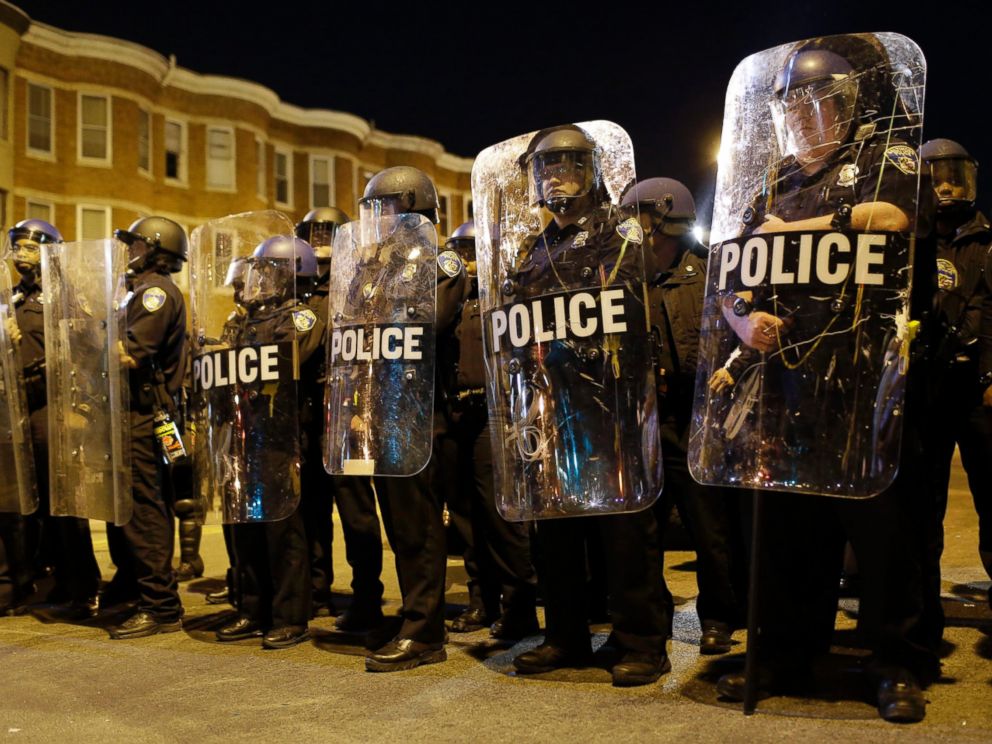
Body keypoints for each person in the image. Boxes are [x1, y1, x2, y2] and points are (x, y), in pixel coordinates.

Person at [712, 38, 941, 723]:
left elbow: (893, 219)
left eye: (823, 103)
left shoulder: (881, 161)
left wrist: (806, 226)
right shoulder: (772, 183)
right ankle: (787, 652)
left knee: (883, 532)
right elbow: (732, 274)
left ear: (848, 106)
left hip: (863, 381)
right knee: (788, 529)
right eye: (796, 106)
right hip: (785, 386)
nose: (809, 118)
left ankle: (897, 664)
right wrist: (741, 324)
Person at [504, 126, 672, 686]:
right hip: (549, 406)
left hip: (608, 400)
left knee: (624, 527)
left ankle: (641, 642)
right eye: (547, 169)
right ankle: (565, 637)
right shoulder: (532, 248)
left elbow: (621, 301)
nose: (556, 178)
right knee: (554, 529)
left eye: (568, 166)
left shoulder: (616, 230)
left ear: (590, 172)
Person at [339, 166, 466, 671]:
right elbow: (351, 331)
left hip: (421, 413)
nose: (376, 220)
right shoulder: (371, 270)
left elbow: (429, 323)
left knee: (419, 529)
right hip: (378, 413)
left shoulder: (443, 262)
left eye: (384, 209)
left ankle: (424, 633)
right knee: (398, 526)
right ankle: (415, 615)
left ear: (412, 207)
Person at [622, 178, 749, 654]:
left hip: (696, 415)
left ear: (662, 221)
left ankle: (718, 616)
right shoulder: (625, 281)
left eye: (639, 220)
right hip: (644, 419)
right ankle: (651, 615)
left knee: (708, 526)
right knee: (643, 527)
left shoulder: (711, 272)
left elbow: (737, 336)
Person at [215, 235, 322, 649]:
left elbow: (286, 360)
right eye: (258, 272)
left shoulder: (301, 317)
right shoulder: (242, 320)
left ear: (293, 275)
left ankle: (289, 616)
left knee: (283, 531)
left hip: (282, 435)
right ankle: (251, 608)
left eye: (269, 272)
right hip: (244, 433)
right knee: (247, 527)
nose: (259, 280)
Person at [436, 220, 539, 640]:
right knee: (463, 516)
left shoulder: (506, 295)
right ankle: (483, 601)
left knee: (500, 514)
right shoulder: (450, 300)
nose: (468, 260)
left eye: (474, 251)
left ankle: (520, 608)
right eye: (461, 251)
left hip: (494, 412)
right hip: (454, 411)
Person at [1, 219, 102, 618]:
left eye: (30, 248)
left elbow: (85, 348)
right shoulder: (9, 299)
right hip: (15, 409)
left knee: (63, 504)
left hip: (52, 410)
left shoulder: (64, 298)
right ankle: (33, 580)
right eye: (17, 247)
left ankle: (81, 586)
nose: (22, 256)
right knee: (24, 504)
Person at [295, 207, 384, 628]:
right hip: (309, 413)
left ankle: (368, 596)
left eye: (326, 235)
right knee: (313, 507)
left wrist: (363, 408)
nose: (320, 243)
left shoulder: (361, 289)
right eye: (312, 236)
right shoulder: (300, 294)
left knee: (356, 510)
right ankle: (317, 591)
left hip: (347, 414)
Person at [107, 216, 189, 639]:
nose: (129, 251)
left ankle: (160, 606)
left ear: (155, 249)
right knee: (138, 507)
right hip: (141, 415)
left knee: (146, 509)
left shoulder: (155, 293)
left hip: (147, 416)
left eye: (135, 244)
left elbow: (130, 355)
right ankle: (140, 593)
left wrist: (84, 338)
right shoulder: (135, 292)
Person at [920, 138, 992, 607]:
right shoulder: (906, 240)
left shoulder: (987, 241)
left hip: (980, 391)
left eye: (955, 176)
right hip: (926, 389)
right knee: (922, 503)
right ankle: (918, 596)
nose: (947, 187)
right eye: (937, 177)